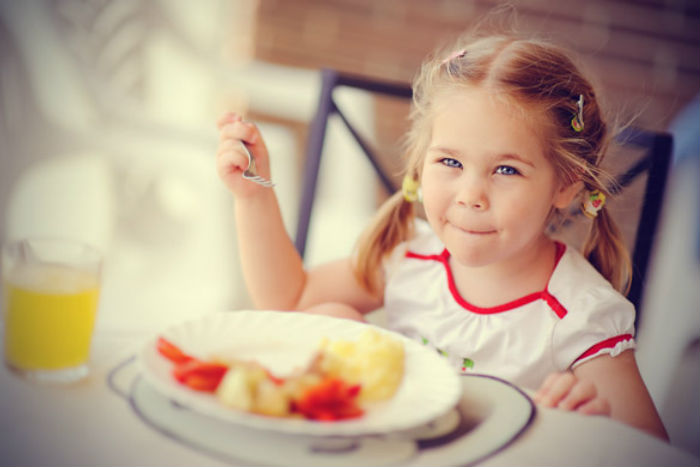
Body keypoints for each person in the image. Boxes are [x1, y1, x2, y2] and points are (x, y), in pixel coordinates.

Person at [215, 33, 667, 439]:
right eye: (450, 162)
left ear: (566, 184)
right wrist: (252, 195)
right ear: (420, 162)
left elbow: (651, 451)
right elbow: (290, 301)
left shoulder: (577, 315)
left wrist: (578, 431)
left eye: (506, 170)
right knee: (331, 314)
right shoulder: (410, 258)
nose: (471, 195)